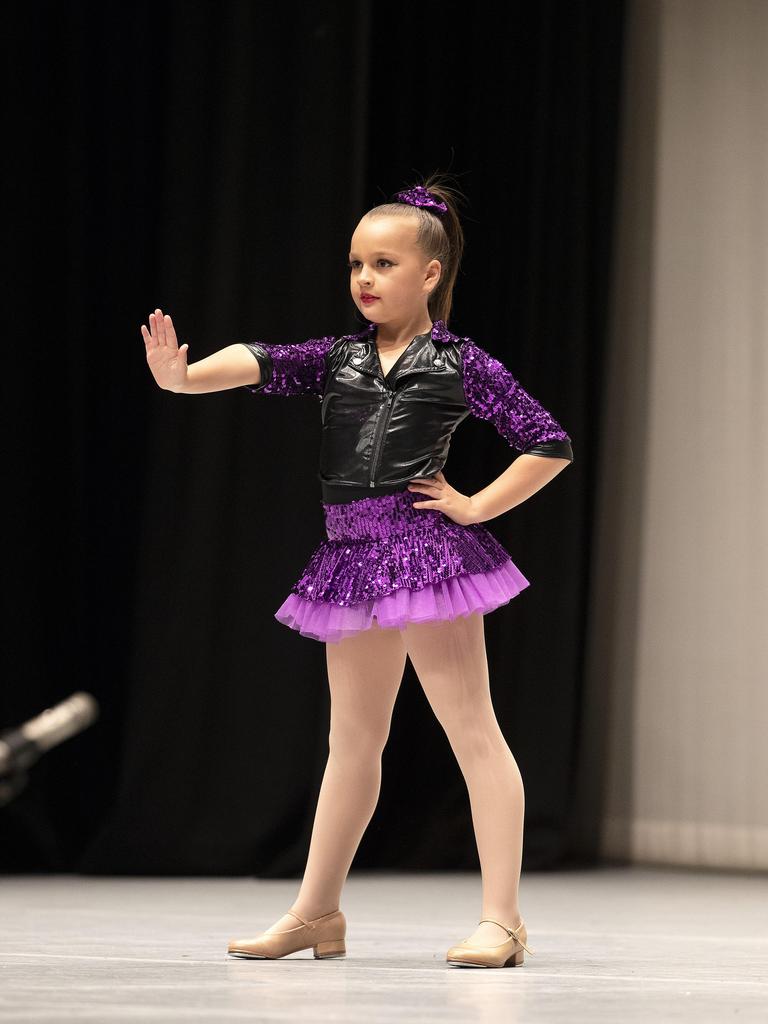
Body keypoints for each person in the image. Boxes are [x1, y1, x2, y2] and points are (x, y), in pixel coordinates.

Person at [141, 173, 573, 969]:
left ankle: (503, 919)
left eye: (383, 264)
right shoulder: (339, 357)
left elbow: (548, 440)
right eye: (355, 266)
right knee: (352, 742)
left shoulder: (459, 361)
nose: (365, 280)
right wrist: (183, 377)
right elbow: (265, 359)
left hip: (424, 554)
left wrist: (476, 506)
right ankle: (316, 912)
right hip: (349, 558)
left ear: (430, 274)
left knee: (471, 731)